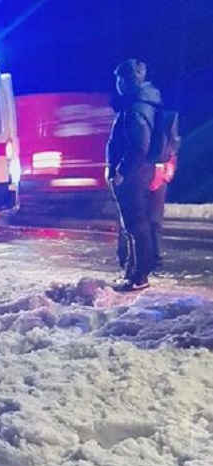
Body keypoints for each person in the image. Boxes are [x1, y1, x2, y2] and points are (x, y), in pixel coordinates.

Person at [106, 59, 161, 292]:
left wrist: (121, 171)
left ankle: (139, 276)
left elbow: (139, 145)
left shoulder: (137, 106)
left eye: (120, 79)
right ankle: (132, 271)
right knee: (135, 224)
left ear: (128, 79)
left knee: (136, 225)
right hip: (140, 171)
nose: (117, 84)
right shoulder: (144, 102)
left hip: (133, 174)